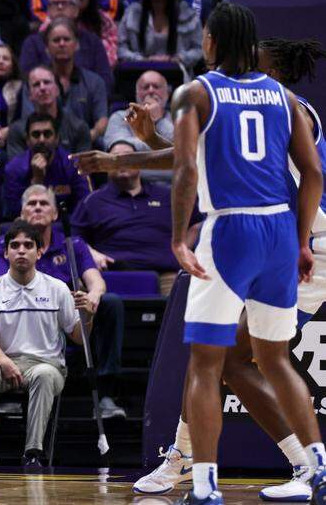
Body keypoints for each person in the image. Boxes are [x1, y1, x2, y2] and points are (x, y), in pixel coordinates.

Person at [111, 37, 326, 502]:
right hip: (275, 241)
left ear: (275, 68)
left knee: (231, 356)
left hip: (306, 244)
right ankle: (193, 461)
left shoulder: (290, 110)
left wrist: (126, 157)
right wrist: (150, 141)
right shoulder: (261, 107)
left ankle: (298, 465)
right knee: (219, 357)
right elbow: (199, 158)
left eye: (257, 59)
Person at [0, 220, 90, 466]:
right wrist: (4, 362)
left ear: (39, 251)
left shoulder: (57, 288)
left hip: (47, 365)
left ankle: (33, 452)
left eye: (28, 245)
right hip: (4, 362)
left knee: (43, 374)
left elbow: (78, 337)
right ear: (6, 252)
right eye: (15, 245)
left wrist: (88, 315)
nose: (21, 250)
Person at [72, 141, 187, 293]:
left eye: (127, 157)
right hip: (113, 275)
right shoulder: (93, 201)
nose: (121, 162)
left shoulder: (167, 195)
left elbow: (196, 223)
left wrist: (180, 247)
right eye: (115, 158)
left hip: (166, 275)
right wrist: (92, 253)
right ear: (105, 165)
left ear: (140, 162)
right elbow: (74, 239)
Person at [20, 18, 109, 141]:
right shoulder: (34, 81)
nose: (62, 44)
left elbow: (102, 120)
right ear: (46, 48)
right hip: (42, 142)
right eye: (56, 40)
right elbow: (28, 118)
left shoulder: (95, 81)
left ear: (77, 45)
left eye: (66, 39)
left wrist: (85, 139)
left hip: (85, 143)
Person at [3, 113, 91, 220]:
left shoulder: (74, 165)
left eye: (47, 134)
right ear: (27, 140)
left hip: (66, 227)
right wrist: (36, 182)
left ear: (57, 138)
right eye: (36, 135)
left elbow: (83, 208)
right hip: (27, 229)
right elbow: (14, 213)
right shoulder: (13, 169)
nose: (42, 140)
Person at [117, 0, 204, 68]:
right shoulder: (131, 13)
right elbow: (120, 48)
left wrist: (178, 59)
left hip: (178, 73)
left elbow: (199, 49)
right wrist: (142, 60)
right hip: (140, 72)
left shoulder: (188, 14)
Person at [6, 66, 93, 158]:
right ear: (30, 95)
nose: (42, 88)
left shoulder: (79, 127)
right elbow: (15, 170)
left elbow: (83, 168)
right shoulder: (17, 130)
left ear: (57, 90)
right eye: (36, 84)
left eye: (47, 82)